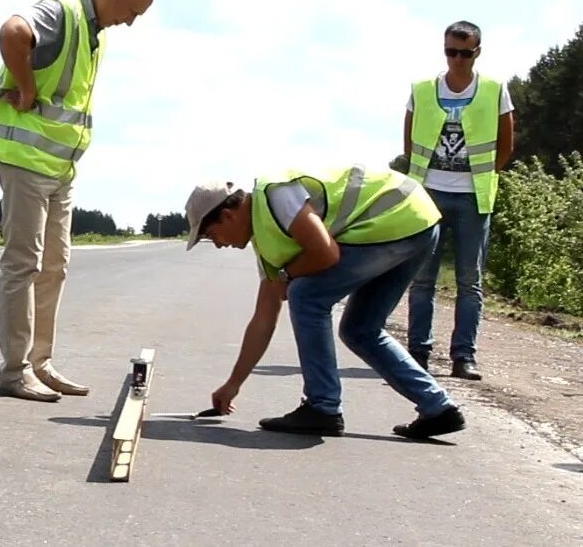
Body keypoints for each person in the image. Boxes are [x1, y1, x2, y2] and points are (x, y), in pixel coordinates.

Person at [0, 0, 156, 402]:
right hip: (26, 158)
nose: (129, 22)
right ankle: (14, 371)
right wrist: (27, 88)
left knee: (55, 265)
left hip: (59, 166)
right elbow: (13, 31)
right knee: (24, 264)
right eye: (131, 11)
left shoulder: (94, 29)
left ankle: (40, 363)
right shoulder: (64, 10)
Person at [185, 164, 467, 439]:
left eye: (211, 236)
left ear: (227, 216)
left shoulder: (275, 195)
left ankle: (322, 407)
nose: (219, 244)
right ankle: (438, 408)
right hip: (418, 222)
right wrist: (233, 385)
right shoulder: (266, 242)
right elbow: (263, 320)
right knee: (360, 329)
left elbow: (326, 253)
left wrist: (287, 275)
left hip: (398, 216)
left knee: (305, 295)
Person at [404, 20, 516, 381]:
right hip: (428, 194)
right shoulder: (422, 90)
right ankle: (417, 352)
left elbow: (506, 144)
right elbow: (408, 141)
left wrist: (482, 176)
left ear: (477, 52)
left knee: (470, 280)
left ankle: (463, 356)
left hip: (472, 196)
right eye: (451, 51)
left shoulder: (495, 90)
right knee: (422, 278)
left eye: (464, 53)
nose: (457, 59)